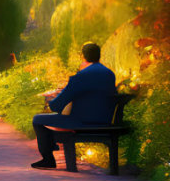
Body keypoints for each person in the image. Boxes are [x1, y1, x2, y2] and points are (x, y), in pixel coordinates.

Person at [30, 42, 118, 170]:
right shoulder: (109, 74)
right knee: (51, 123)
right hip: (105, 120)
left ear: (83, 56)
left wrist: (51, 101)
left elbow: (57, 105)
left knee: (38, 119)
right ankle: (51, 143)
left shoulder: (81, 76)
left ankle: (48, 158)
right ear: (99, 56)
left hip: (81, 121)